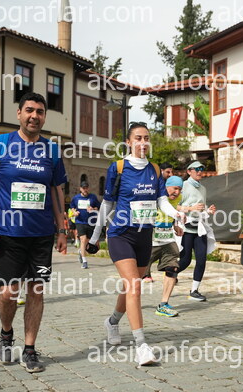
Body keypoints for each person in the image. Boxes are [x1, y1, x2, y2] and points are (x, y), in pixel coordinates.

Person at [0, 92, 68, 373]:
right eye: (29, 110)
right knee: (8, 293)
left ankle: (30, 349)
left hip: (41, 234)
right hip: (9, 233)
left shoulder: (52, 151)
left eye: (39, 112)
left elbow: (57, 191)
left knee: (36, 291)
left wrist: (61, 228)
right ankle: (6, 334)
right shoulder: (1, 145)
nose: (34, 116)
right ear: (19, 113)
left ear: (44, 117)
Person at [88, 122, 185, 366]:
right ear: (129, 142)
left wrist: (176, 214)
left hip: (144, 236)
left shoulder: (155, 169)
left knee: (130, 286)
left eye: (146, 138)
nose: (143, 142)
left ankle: (112, 321)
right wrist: (95, 237)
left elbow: (161, 201)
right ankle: (142, 346)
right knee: (134, 286)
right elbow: (107, 203)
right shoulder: (118, 167)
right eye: (138, 138)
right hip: (121, 234)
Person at [177, 161, 216, 302]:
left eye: (202, 169)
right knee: (185, 260)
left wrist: (208, 210)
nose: (200, 171)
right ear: (189, 171)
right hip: (185, 228)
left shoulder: (203, 188)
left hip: (199, 228)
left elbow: (201, 208)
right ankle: (170, 274)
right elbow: (175, 206)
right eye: (197, 169)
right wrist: (191, 208)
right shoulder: (183, 186)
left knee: (201, 259)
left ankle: (194, 291)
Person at [152, 175, 184, 317]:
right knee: (138, 273)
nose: (177, 192)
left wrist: (175, 225)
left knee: (173, 267)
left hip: (167, 238)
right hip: (151, 239)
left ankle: (163, 304)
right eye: (175, 188)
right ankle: (127, 299)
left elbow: (173, 212)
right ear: (166, 186)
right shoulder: (156, 195)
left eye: (180, 189)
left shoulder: (178, 198)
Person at [143, 162, 174, 282]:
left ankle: (170, 273)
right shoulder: (153, 183)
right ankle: (145, 273)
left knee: (168, 249)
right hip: (154, 220)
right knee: (152, 250)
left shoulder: (172, 186)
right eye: (168, 172)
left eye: (172, 172)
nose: (170, 174)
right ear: (161, 171)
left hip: (167, 222)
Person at [70, 181, 100, 269]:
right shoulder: (76, 198)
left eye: (86, 188)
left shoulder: (93, 197)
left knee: (90, 242)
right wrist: (74, 212)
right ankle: (84, 261)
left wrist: (93, 209)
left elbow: (98, 207)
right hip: (80, 222)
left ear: (88, 188)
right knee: (83, 239)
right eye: (83, 188)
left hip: (91, 222)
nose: (85, 189)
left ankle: (81, 251)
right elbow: (72, 207)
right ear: (80, 189)